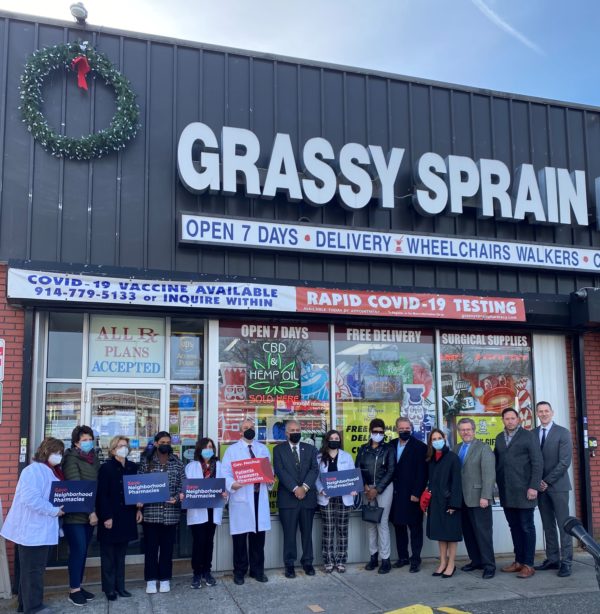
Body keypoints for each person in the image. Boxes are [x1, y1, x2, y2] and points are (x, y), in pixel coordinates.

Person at [1, 437, 65, 614]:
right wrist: (53, 511)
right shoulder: (33, 471)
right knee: (33, 572)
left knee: (29, 571)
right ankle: (34, 608)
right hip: (31, 531)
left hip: (38, 530)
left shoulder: (49, 471)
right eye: (55, 452)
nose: (58, 456)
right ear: (45, 451)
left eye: (60, 453)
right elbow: (30, 499)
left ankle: (25, 606)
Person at [495, 407, 543, 579]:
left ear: (518, 419)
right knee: (514, 527)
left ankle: (529, 564)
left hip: (525, 490)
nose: (510, 421)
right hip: (507, 491)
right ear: (503, 420)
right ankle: (518, 561)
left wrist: (533, 487)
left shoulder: (528, 436)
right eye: (506, 418)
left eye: (512, 418)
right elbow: (498, 463)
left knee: (526, 527)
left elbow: (537, 463)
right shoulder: (499, 438)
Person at [222, 418, 272, 585]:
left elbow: (268, 470)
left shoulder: (262, 449)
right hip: (242, 497)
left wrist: (270, 479)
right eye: (246, 428)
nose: (250, 429)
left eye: (252, 427)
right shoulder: (232, 451)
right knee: (240, 538)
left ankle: (257, 571)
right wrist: (232, 484)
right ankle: (240, 572)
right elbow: (225, 473)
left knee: (259, 538)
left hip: (259, 496)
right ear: (240, 432)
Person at [96, 436, 143, 601]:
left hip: (127, 516)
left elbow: (137, 490)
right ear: (113, 449)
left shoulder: (132, 467)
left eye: (126, 446)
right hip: (111, 516)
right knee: (108, 555)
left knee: (121, 555)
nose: (124, 448)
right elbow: (102, 495)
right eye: (120, 445)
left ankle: (120, 587)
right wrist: (106, 516)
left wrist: (138, 508)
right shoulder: (106, 468)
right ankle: (109, 589)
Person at [138, 431, 185, 594]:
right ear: (156, 443)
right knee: (151, 549)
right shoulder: (146, 461)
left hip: (171, 513)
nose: (166, 444)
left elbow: (182, 485)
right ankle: (151, 580)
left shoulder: (177, 462)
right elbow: (139, 484)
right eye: (163, 442)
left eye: (168, 442)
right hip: (151, 513)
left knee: (166, 550)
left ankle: (165, 579)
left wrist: (177, 498)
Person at [273, 419, 319, 578]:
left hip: (307, 497)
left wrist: (304, 487)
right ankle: (290, 564)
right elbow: (280, 471)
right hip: (288, 498)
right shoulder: (278, 450)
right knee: (289, 534)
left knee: (307, 533)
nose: (295, 432)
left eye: (297, 429)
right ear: (286, 433)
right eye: (292, 430)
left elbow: (314, 469)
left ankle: (308, 562)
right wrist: (295, 488)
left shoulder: (311, 449)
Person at [533, 401, 574, 577]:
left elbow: (565, 462)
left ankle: (566, 562)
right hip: (541, 488)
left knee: (563, 525)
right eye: (540, 411)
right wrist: (537, 482)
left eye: (546, 411)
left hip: (558, 487)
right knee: (548, 525)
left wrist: (546, 481)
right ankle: (552, 559)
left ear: (552, 412)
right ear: (536, 414)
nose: (543, 414)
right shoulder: (533, 434)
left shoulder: (563, 433)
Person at [62, 425, 101, 606]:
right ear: (76, 442)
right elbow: (76, 488)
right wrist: (91, 512)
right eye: (84, 440)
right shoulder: (71, 459)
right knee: (77, 551)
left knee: (83, 551)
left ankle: (78, 585)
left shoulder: (94, 459)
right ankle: (73, 590)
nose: (87, 442)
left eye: (89, 439)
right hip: (76, 515)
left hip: (89, 513)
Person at [455, 418, 496, 579]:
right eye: (462, 430)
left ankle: (489, 565)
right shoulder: (456, 448)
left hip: (479, 498)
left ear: (474, 430)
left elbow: (489, 475)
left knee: (483, 533)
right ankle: (476, 560)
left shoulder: (483, 448)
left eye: (468, 429)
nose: (465, 432)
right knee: (469, 532)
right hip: (462, 499)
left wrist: (486, 496)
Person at [355, 418, 395, 574]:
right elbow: (358, 468)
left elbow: (391, 470)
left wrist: (377, 489)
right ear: (370, 432)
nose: (378, 434)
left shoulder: (389, 449)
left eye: (380, 432)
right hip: (366, 489)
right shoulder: (363, 449)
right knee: (370, 522)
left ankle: (385, 560)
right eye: (375, 431)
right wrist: (365, 486)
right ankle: (373, 557)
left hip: (383, 488)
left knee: (382, 523)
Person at [185, 437, 226, 588]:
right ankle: (196, 574)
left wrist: (224, 493)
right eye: (206, 447)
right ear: (200, 449)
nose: (209, 449)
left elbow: (225, 484)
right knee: (198, 542)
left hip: (213, 509)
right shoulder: (192, 466)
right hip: (198, 509)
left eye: (211, 447)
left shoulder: (219, 466)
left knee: (209, 542)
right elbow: (189, 487)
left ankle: (207, 572)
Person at [389, 417, 428, 573]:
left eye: (407, 428)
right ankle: (403, 557)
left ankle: (415, 559)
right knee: (399, 526)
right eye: (401, 428)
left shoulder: (420, 447)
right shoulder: (391, 445)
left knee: (415, 528)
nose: (404, 430)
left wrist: (417, 493)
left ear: (411, 428)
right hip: (395, 494)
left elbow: (422, 473)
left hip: (412, 494)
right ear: (396, 429)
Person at [314, 430, 355, 573]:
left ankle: (341, 560)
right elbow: (316, 478)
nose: (334, 440)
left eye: (337, 438)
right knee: (328, 530)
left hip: (344, 498)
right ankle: (328, 561)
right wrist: (321, 490)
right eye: (331, 438)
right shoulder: (319, 458)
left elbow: (352, 476)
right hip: (326, 498)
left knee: (342, 530)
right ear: (327, 440)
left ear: (340, 441)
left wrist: (353, 488)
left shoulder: (347, 457)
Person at [426, 428, 463, 578]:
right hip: (435, 502)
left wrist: (454, 504)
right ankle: (442, 562)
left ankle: (451, 564)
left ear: (445, 438)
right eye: (433, 439)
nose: (436, 441)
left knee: (451, 535)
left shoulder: (452, 458)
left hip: (449, 502)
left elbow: (457, 482)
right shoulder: (431, 459)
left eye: (438, 438)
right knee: (441, 534)